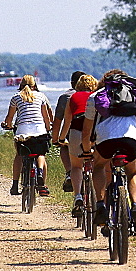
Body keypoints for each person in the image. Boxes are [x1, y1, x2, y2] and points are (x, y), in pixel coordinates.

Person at [81, 69, 136, 235]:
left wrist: (87, 150)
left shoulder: (95, 97)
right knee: (133, 173)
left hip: (105, 142)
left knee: (98, 166)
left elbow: (86, 131)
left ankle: (101, 205)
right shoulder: (134, 94)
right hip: (131, 140)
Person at [54, 73, 99, 218]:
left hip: (75, 132)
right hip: (95, 134)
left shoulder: (72, 97)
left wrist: (61, 138)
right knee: (99, 166)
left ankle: (78, 196)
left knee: (76, 166)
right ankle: (100, 200)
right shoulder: (98, 96)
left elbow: (67, 121)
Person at [2, 75, 54, 197]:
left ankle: (15, 185)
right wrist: (48, 128)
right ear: (34, 85)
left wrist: (8, 125)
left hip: (22, 131)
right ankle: (41, 178)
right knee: (41, 154)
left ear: (20, 85)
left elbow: (10, 117)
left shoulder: (15, 97)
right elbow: (46, 116)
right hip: (39, 130)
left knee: (19, 154)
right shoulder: (40, 96)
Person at [50, 70, 85, 193]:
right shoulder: (94, 95)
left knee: (64, 146)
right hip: (93, 134)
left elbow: (58, 121)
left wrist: (55, 139)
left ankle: (70, 172)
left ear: (72, 83)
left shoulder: (65, 97)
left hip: (72, 134)